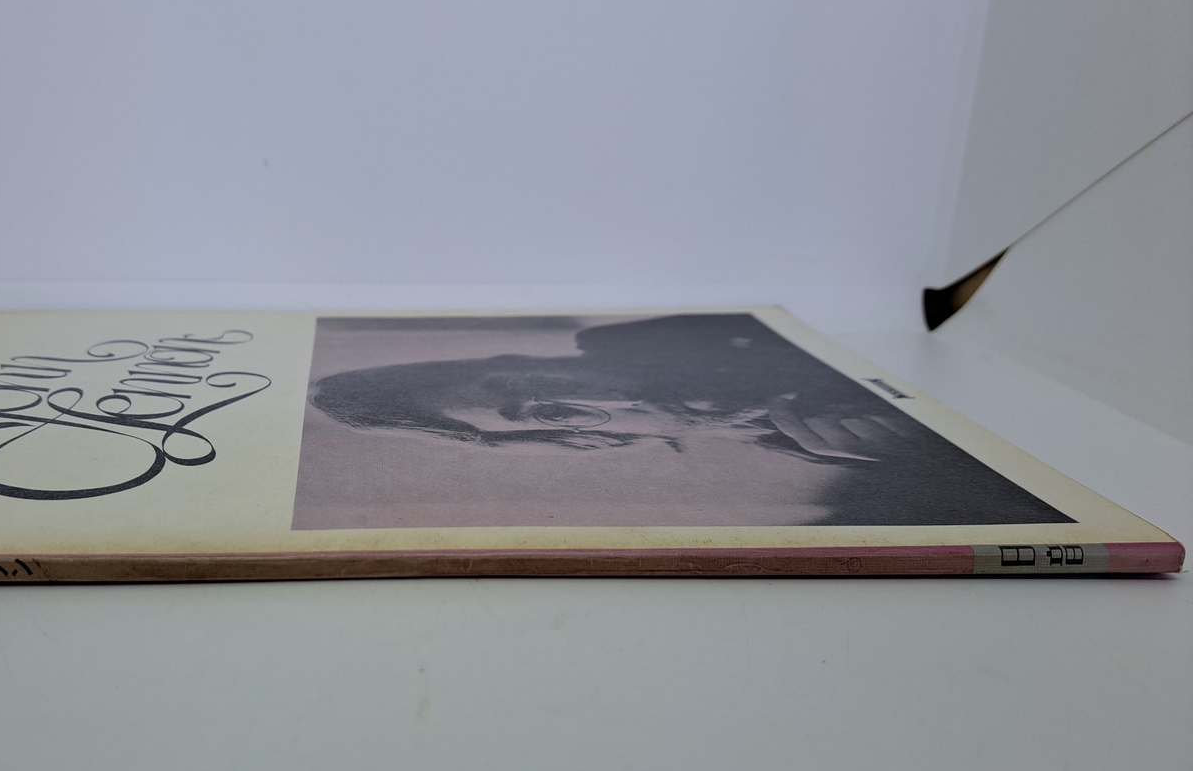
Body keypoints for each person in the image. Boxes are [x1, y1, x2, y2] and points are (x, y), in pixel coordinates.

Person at [308, 314, 1071, 526]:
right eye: (547, 417)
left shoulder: (708, 329)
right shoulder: (844, 487)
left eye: (535, 384)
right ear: (589, 441)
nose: (612, 408)